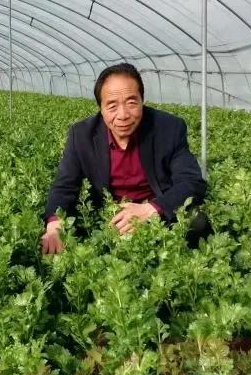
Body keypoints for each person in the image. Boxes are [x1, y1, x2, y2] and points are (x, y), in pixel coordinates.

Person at [41, 63, 211, 254]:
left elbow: (191, 181)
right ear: (100, 108)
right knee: (53, 238)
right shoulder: (81, 135)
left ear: (142, 100)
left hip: (155, 214)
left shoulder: (168, 128)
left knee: (197, 221)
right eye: (112, 105)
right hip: (107, 216)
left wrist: (151, 209)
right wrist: (54, 225)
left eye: (131, 103)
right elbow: (65, 185)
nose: (123, 115)